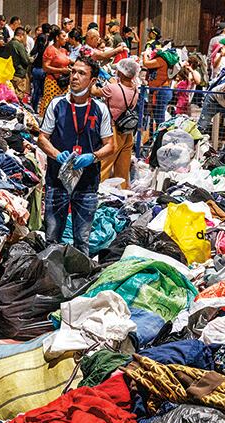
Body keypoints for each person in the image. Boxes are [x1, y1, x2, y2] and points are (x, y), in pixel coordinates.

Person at [38, 57, 114, 254]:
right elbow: (42, 138)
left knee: (82, 239)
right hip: (57, 181)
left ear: (93, 81)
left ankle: (81, 279)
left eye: (82, 73)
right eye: (73, 72)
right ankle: (50, 278)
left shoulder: (101, 109)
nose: (75, 77)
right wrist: (56, 154)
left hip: (87, 183)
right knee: (52, 237)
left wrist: (93, 157)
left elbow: (110, 145)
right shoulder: (57, 105)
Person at [93, 58, 139, 186]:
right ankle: (123, 192)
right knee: (123, 168)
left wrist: (93, 80)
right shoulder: (135, 90)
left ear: (122, 73)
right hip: (127, 131)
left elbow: (94, 91)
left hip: (113, 131)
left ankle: (98, 189)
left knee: (105, 164)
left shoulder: (112, 88)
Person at [37, 28, 72, 114]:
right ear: (57, 37)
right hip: (53, 83)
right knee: (51, 107)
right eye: (63, 36)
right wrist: (61, 70)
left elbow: (68, 61)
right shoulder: (50, 50)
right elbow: (45, 67)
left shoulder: (64, 50)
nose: (66, 38)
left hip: (64, 83)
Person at [142, 43, 171, 124]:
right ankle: (154, 135)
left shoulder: (160, 60)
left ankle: (160, 135)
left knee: (159, 118)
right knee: (156, 116)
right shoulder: (160, 60)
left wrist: (145, 54)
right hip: (160, 90)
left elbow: (146, 64)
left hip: (161, 91)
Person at [6, 27, 32, 101]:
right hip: (19, 74)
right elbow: (26, 60)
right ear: (21, 36)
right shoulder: (19, 45)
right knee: (19, 96)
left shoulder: (8, 44)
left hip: (10, 73)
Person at [30, 23, 52, 110]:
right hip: (45, 68)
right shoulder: (50, 40)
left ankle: (34, 108)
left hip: (36, 67)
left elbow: (33, 51)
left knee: (36, 90)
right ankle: (43, 108)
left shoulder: (40, 37)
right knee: (44, 91)